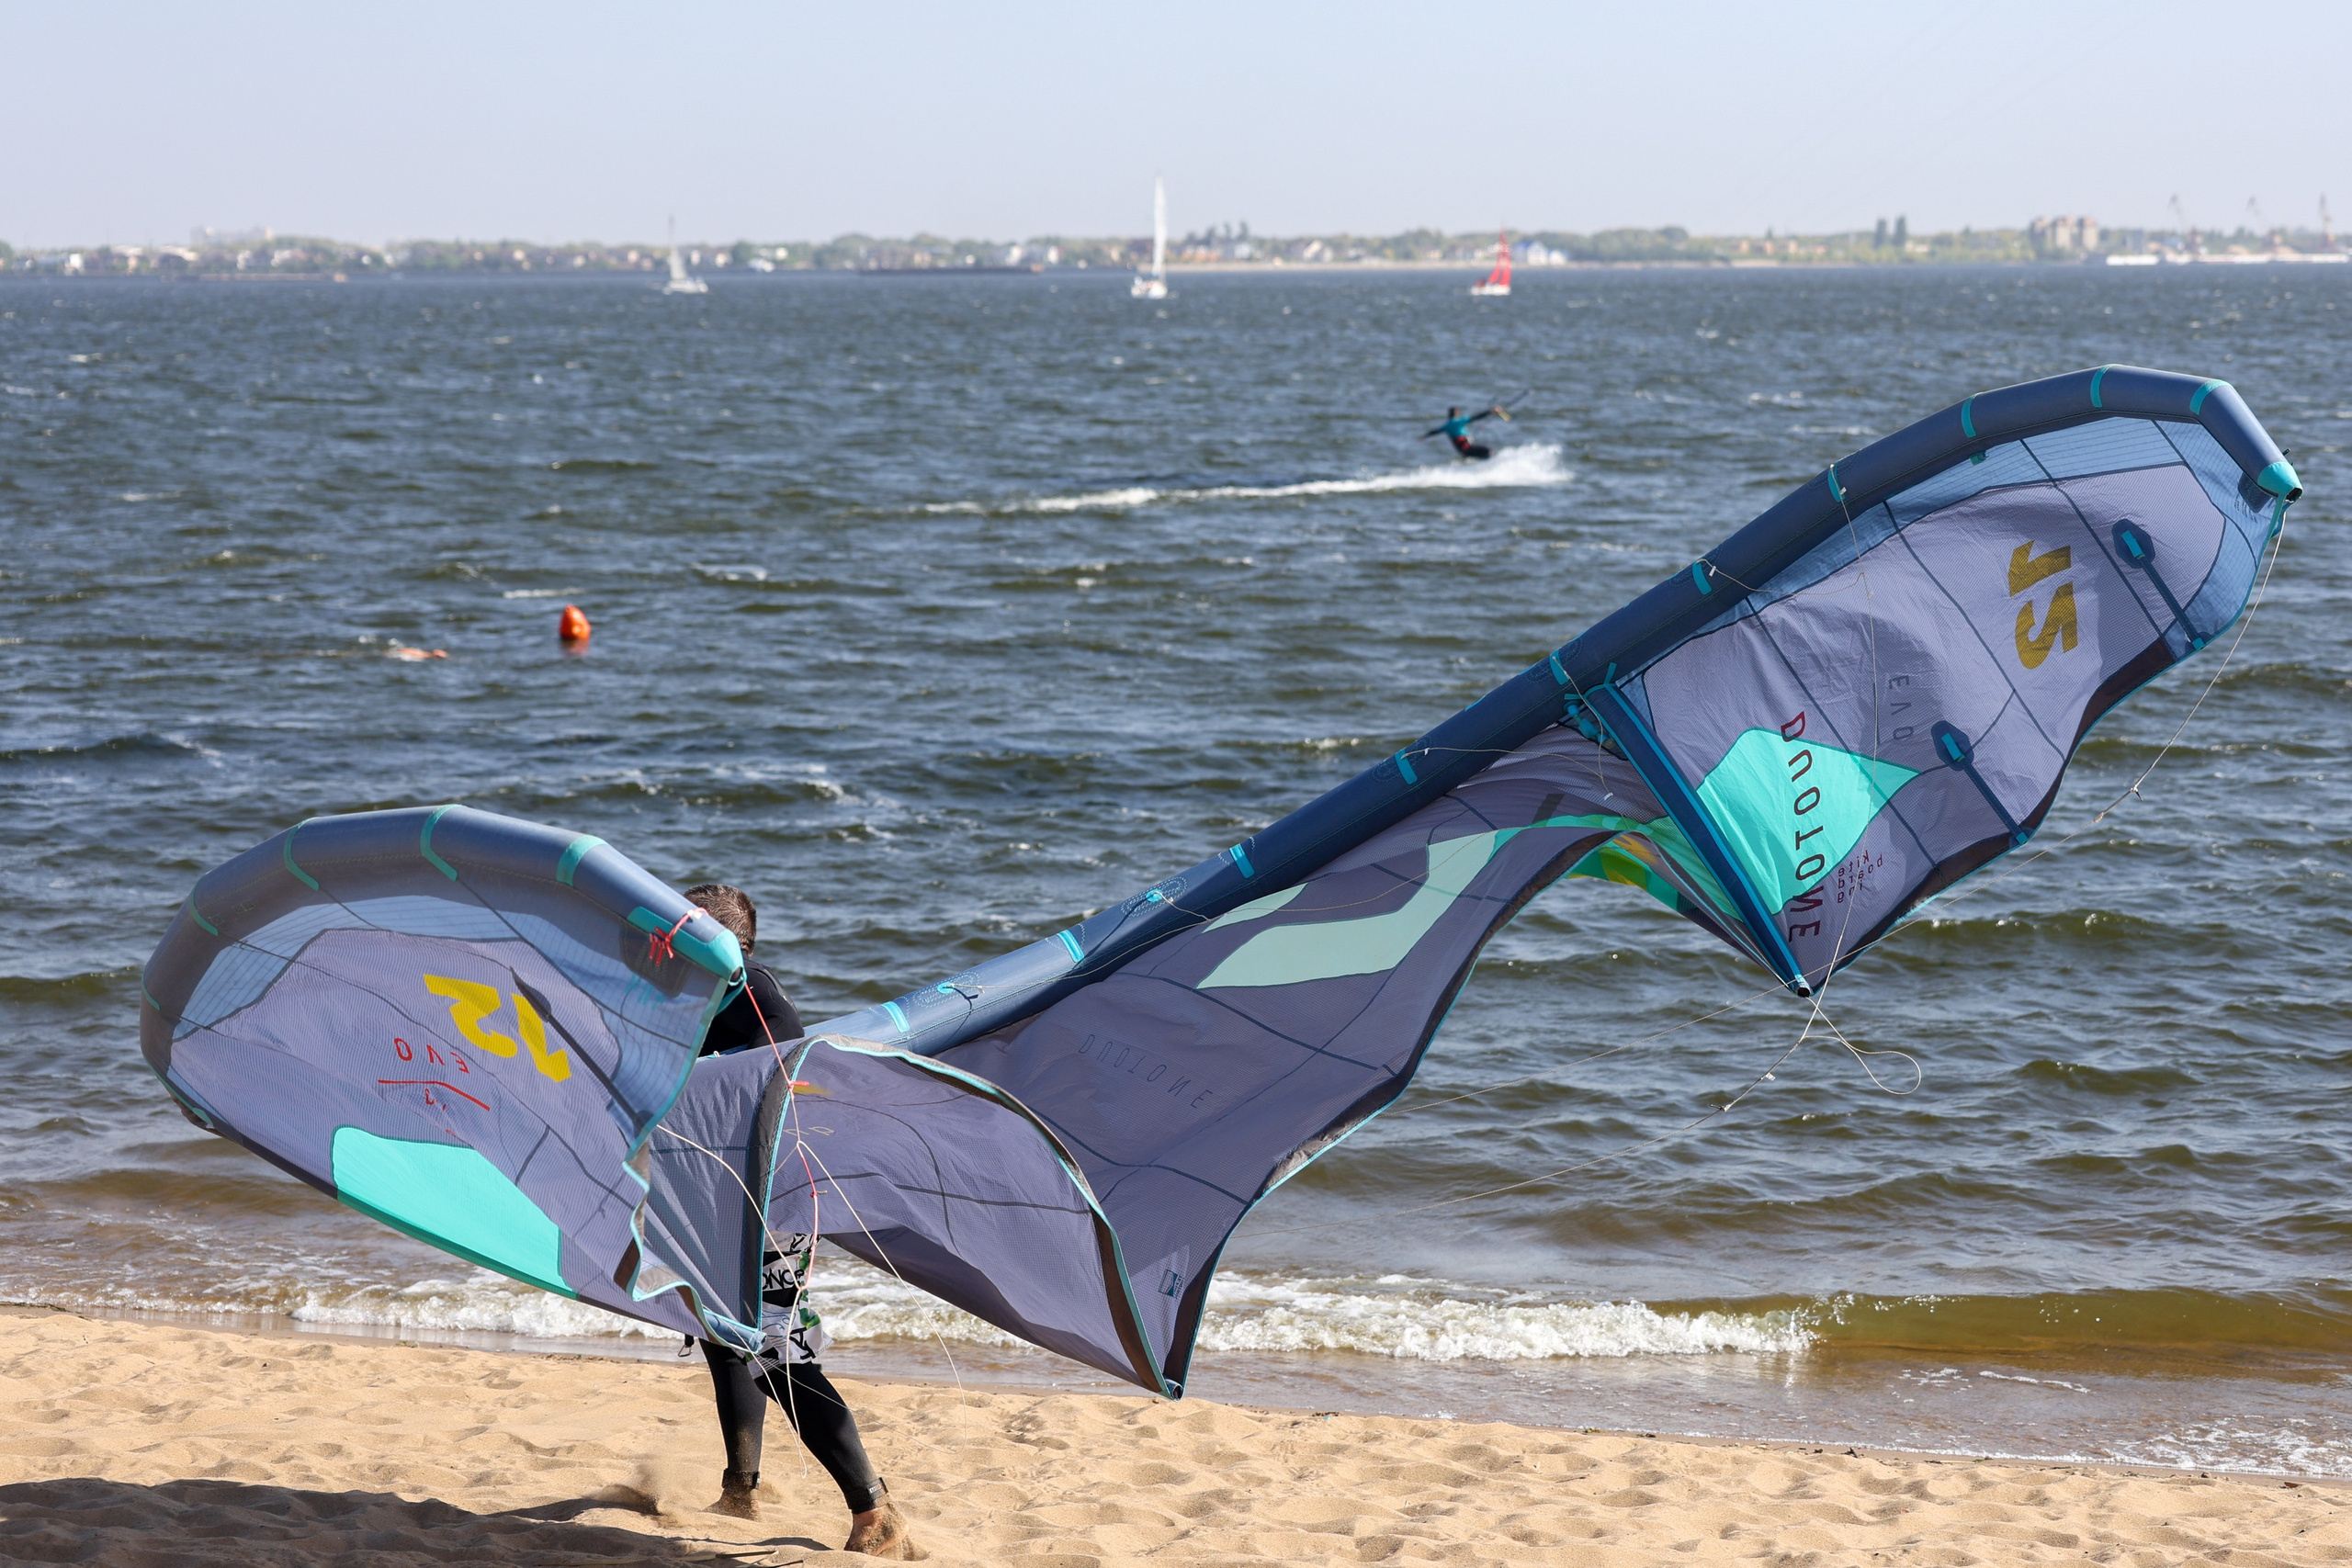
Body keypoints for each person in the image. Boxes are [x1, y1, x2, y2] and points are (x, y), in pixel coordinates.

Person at [682, 884, 923, 1561]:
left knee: (776, 1347)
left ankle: (872, 1507)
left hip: (779, 1194)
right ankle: (740, 1486)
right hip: (743, 1188)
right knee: (722, 1327)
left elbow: (770, 1078)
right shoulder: (713, 996)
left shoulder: (745, 987)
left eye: (680, 936)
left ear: (717, 942)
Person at [1421, 403, 1501, 459]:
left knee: (1482, 456)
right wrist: (1491, 412)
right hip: (1468, 449)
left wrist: (1424, 436)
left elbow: (1435, 432)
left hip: (1463, 452)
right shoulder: (1459, 421)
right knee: (1489, 451)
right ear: (1456, 413)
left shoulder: (1446, 425)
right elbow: (1476, 417)